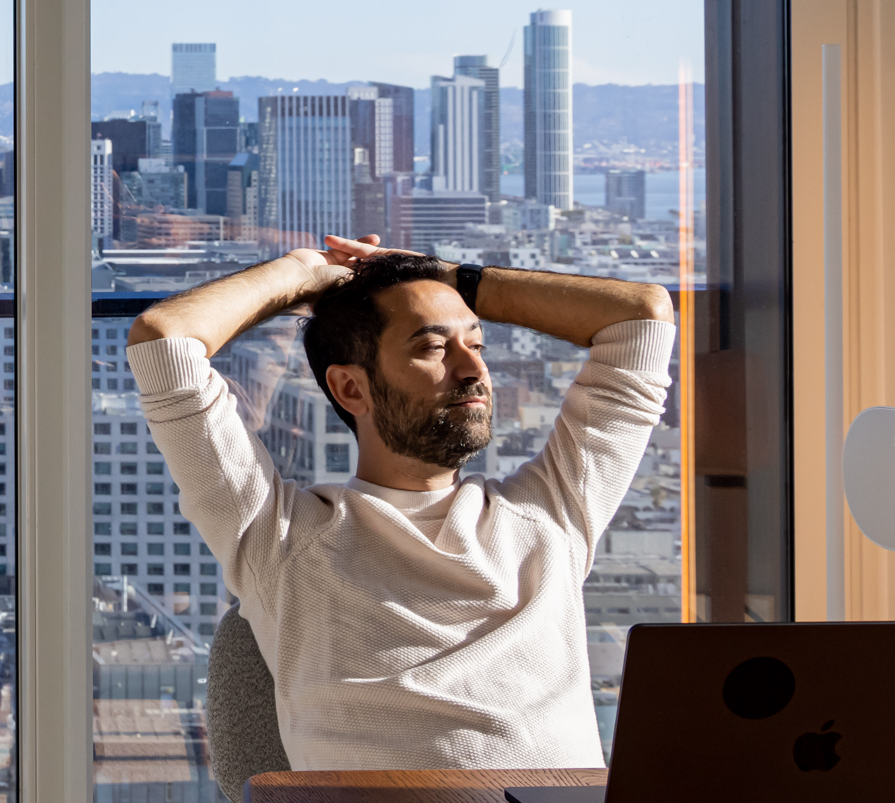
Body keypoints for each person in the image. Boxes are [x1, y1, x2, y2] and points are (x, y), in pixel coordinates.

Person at [125, 235, 676, 771]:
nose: (473, 369)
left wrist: (450, 278)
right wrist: (303, 271)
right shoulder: (278, 538)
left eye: (476, 344)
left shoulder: (553, 514)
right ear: (350, 389)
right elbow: (164, 339)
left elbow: (644, 317)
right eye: (434, 347)